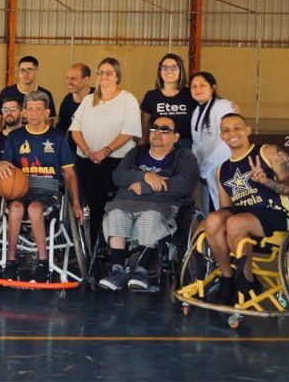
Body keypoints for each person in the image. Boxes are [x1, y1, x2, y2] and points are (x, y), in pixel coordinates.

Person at [200, 114, 289, 305]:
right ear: (221, 136)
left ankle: (247, 282)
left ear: (248, 130)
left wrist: (266, 181)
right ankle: (227, 278)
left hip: (279, 213)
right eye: (226, 130)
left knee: (235, 222)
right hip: (244, 217)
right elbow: (226, 208)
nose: (232, 133)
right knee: (213, 220)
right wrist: (207, 225)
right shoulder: (222, 170)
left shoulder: (269, 152)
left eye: (237, 128)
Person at [98, 116, 199, 291]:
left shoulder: (184, 157)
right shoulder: (136, 153)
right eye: (154, 128)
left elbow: (184, 183)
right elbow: (118, 176)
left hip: (160, 207)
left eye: (165, 129)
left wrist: (145, 187)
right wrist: (145, 176)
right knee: (116, 213)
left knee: (150, 216)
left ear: (175, 137)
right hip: (126, 203)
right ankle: (117, 270)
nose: (158, 133)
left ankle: (142, 271)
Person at [0, 91, 82, 283]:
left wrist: (76, 202)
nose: (34, 113)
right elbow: (5, 164)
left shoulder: (58, 138)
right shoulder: (15, 137)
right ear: (24, 112)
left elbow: (69, 173)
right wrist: (0, 165)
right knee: (15, 208)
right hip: (21, 189)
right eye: (30, 109)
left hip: (48, 190)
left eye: (38, 109)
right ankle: (11, 259)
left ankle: (43, 261)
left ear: (47, 113)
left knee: (35, 208)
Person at [68, 57, 141, 236]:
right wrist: (87, 151)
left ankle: (113, 244)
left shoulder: (127, 99)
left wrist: (105, 151)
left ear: (117, 76)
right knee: (94, 206)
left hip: (116, 162)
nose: (104, 76)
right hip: (87, 161)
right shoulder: (88, 100)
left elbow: (128, 132)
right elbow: (75, 129)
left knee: (113, 206)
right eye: (101, 72)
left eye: (109, 73)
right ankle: (94, 245)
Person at [189, 72, 235, 211]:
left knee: (225, 209)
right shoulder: (196, 111)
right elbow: (197, 145)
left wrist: (205, 168)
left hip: (222, 167)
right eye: (194, 86)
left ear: (213, 87)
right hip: (206, 172)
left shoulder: (223, 106)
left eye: (202, 85)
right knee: (210, 210)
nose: (198, 89)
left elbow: (227, 141)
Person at [140, 53, 195, 149]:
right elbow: (144, 129)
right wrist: (142, 146)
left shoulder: (190, 94)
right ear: (160, 72)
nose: (169, 71)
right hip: (158, 145)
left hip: (186, 146)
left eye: (174, 68)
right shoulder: (151, 96)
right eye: (165, 68)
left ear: (180, 71)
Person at [0, 55, 55, 132]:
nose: (26, 73)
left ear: (36, 70)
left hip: (36, 138)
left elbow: (49, 122)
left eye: (30, 69)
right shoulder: (6, 92)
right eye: (22, 70)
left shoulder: (45, 94)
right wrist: (2, 137)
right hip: (11, 138)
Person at [58, 63, 93, 134]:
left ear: (85, 80)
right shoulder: (67, 101)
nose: (69, 82)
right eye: (67, 78)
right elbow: (62, 128)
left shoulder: (98, 97)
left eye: (73, 79)